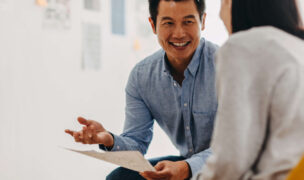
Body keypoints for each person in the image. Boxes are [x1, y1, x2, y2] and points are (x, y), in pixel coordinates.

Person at [65, 0, 219, 179]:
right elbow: (136, 144)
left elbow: (237, 147)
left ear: (203, 21)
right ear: (153, 25)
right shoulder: (141, 77)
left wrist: (187, 168)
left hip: (229, 166)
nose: (179, 33)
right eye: (168, 23)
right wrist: (109, 139)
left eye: (188, 22)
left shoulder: (228, 66)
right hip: (185, 164)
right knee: (119, 178)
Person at [192, 0, 304, 179]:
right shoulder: (297, 46)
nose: (221, 15)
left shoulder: (242, 46)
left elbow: (230, 161)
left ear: (231, 3)